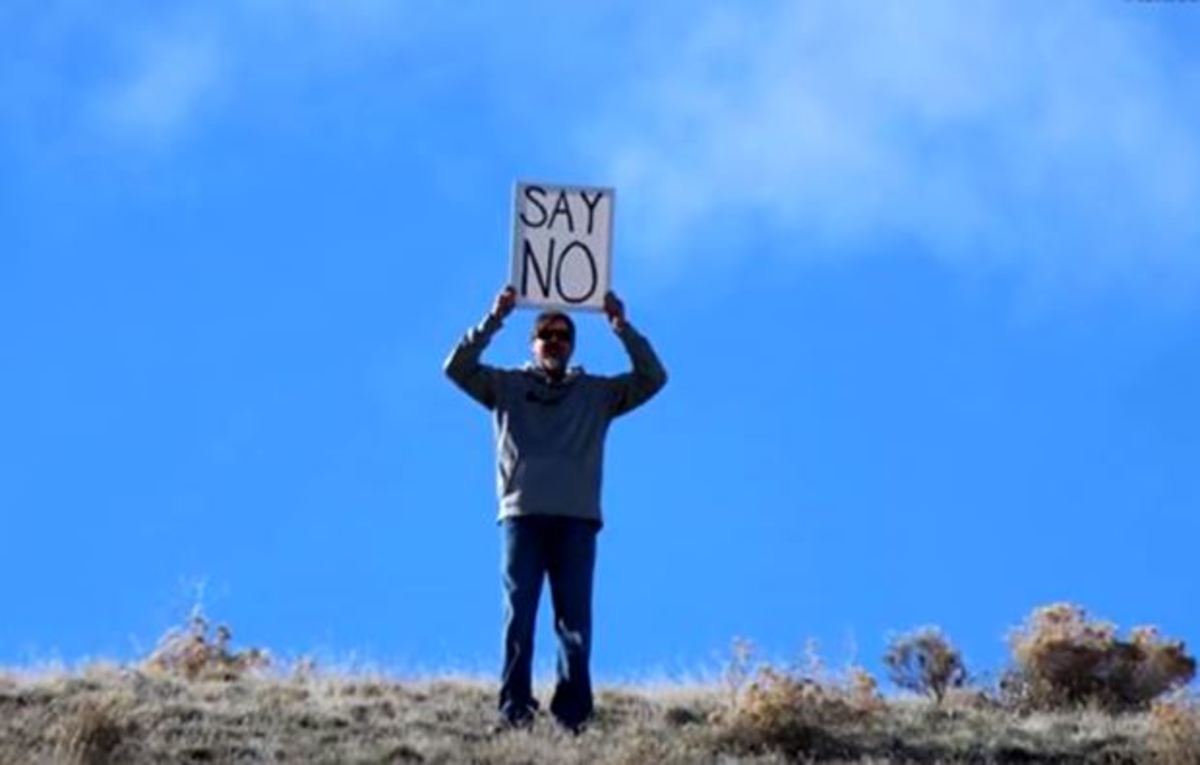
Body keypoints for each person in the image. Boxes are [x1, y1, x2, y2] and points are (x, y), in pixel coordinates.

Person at [443, 285, 667, 734]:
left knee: (574, 623)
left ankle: (573, 717)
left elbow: (651, 378)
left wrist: (622, 328)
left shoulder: (596, 393)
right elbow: (457, 368)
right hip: (522, 516)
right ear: (532, 342)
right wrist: (494, 317)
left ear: (571, 345)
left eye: (563, 334)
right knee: (519, 618)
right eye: (546, 333)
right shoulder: (505, 386)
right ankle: (514, 711)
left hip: (576, 519)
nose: (554, 341)